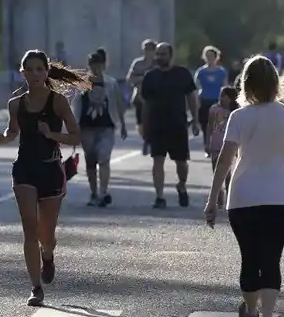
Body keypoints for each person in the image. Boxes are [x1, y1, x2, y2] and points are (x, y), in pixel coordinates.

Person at [204, 55, 284, 317]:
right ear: (276, 83)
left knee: (250, 258)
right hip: (280, 198)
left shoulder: (239, 117)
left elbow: (225, 160)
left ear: (246, 84)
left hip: (243, 198)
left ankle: (251, 311)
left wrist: (212, 199)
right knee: (272, 259)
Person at [0, 50, 89, 307]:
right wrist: (4, 138)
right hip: (24, 169)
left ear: (46, 72)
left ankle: (48, 255)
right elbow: (13, 130)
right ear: (22, 72)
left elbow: (75, 136)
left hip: (50, 169)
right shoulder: (16, 104)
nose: (34, 74)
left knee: (47, 235)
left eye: (39, 69)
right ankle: (35, 288)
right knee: (29, 230)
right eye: (29, 69)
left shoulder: (57, 102)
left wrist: (52, 134)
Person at [135, 41, 199, 208]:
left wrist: (196, 119)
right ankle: (159, 196)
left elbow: (192, 97)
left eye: (163, 54)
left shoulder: (182, 73)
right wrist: (142, 123)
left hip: (177, 124)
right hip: (156, 125)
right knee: (157, 160)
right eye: (158, 54)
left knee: (181, 162)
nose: (159, 57)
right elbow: (144, 102)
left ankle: (182, 185)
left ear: (171, 55)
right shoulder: (150, 76)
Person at [78, 49, 126, 208]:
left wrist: (123, 124)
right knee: (90, 161)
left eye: (99, 65)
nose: (96, 68)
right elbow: (75, 106)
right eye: (93, 65)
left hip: (107, 126)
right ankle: (93, 193)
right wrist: (73, 127)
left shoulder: (111, 83)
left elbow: (118, 104)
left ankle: (103, 192)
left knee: (104, 159)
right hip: (87, 128)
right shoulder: (82, 82)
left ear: (103, 65)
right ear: (89, 65)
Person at [204, 85, 237, 208]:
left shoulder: (235, 111)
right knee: (217, 171)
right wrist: (207, 142)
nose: (222, 98)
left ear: (231, 98)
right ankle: (219, 196)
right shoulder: (214, 109)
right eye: (221, 96)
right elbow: (209, 126)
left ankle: (229, 198)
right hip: (216, 145)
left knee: (228, 174)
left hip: (230, 144)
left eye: (225, 96)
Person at [126, 39, 157, 156]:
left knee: (154, 120)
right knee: (141, 122)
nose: (148, 52)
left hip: (155, 97)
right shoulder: (137, 63)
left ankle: (150, 141)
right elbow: (130, 78)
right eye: (146, 50)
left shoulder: (158, 63)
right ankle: (145, 139)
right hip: (139, 96)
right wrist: (143, 78)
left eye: (150, 50)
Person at [194, 46, 227, 133]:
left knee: (218, 127)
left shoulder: (221, 72)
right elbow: (195, 88)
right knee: (205, 125)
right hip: (204, 101)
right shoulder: (201, 72)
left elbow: (225, 87)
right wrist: (196, 101)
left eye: (212, 56)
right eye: (207, 56)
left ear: (216, 57)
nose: (209, 58)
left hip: (217, 101)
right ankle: (206, 144)